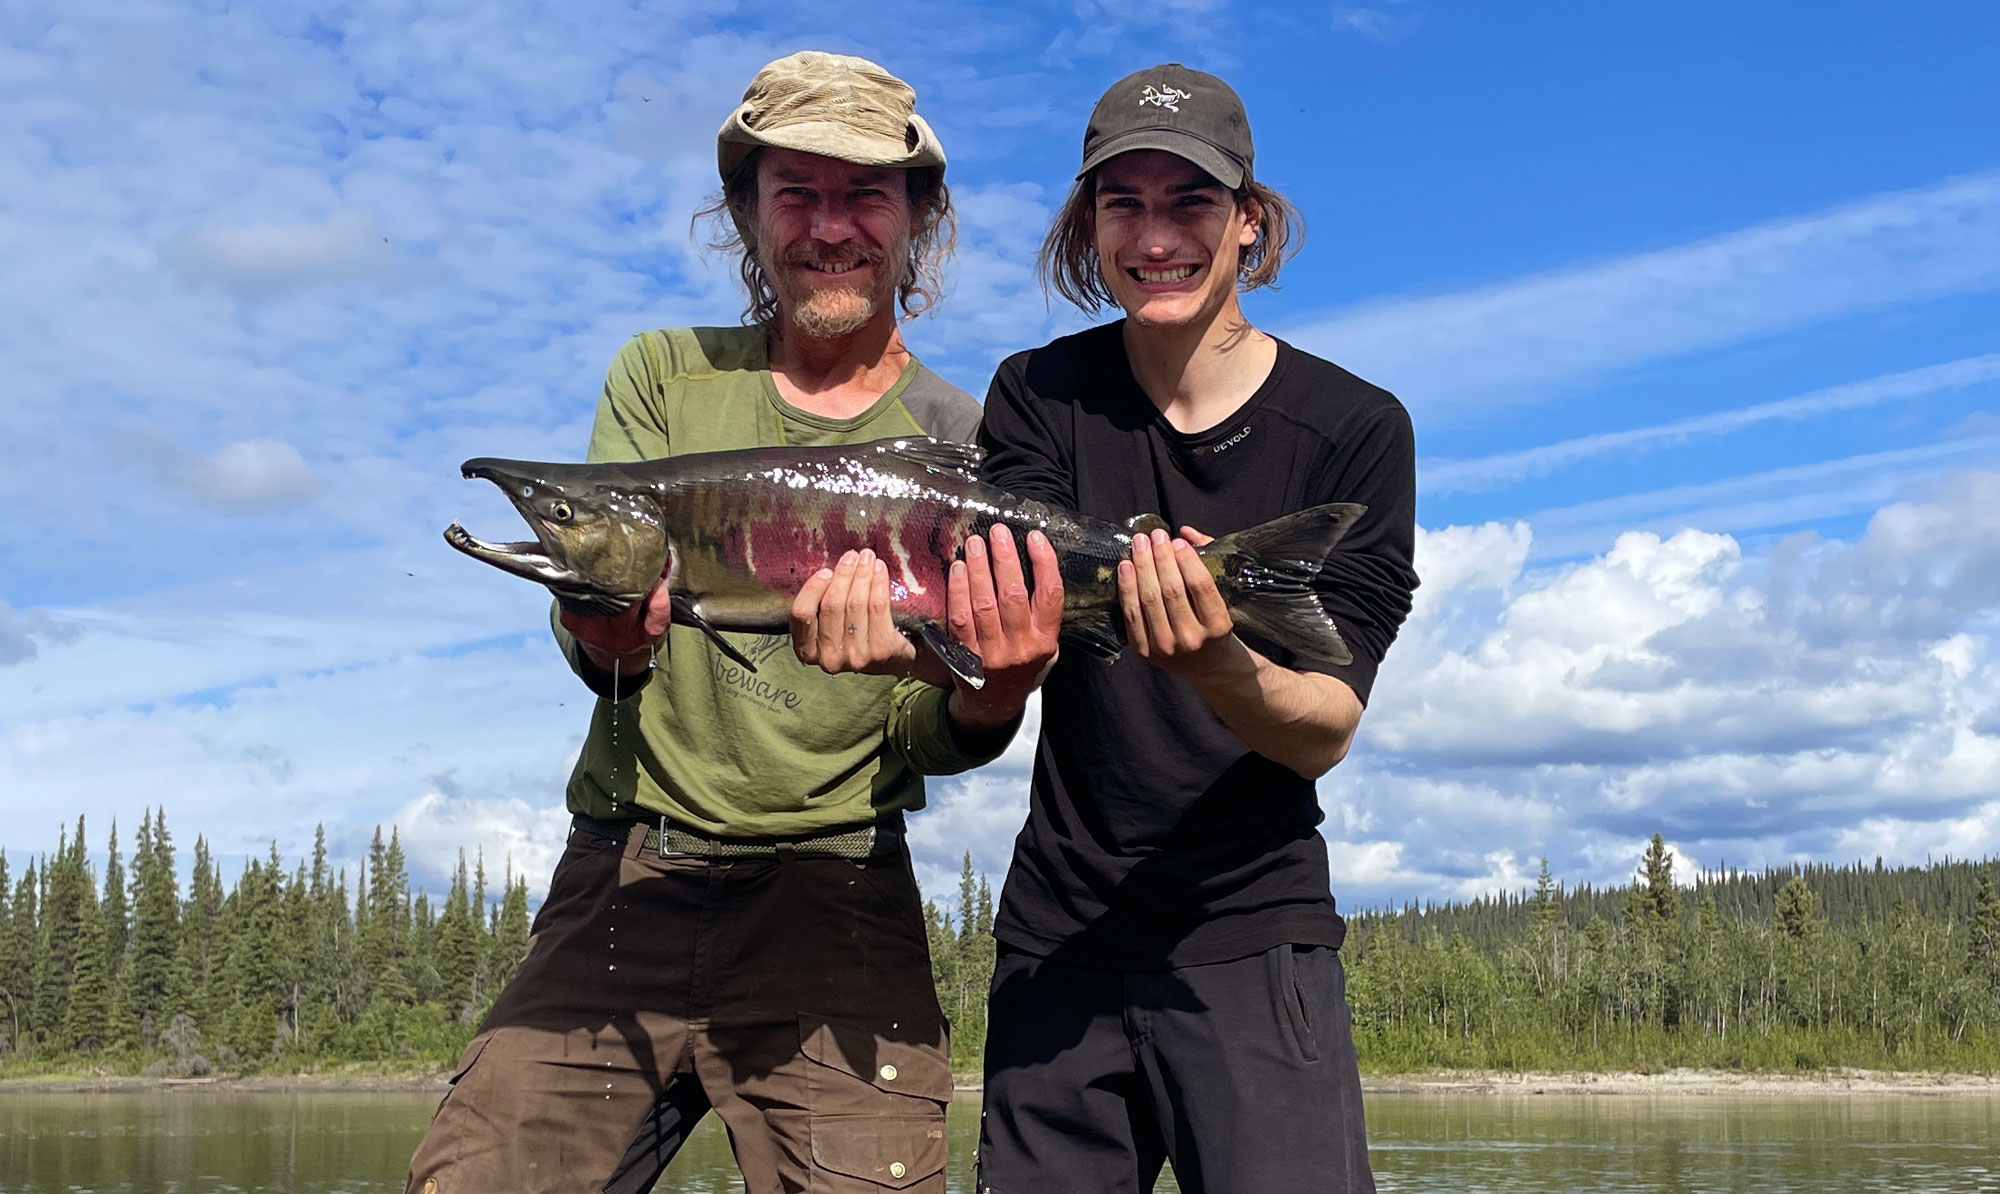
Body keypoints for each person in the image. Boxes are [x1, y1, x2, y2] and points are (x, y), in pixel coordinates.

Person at [406, 51, 1060, 1194]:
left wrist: (990, 691)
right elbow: (607, 627)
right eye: (794, 192)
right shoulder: (662, 375)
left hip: (840, 894)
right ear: (747, 216)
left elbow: (928, 735)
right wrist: (609, 635)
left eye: (863, 194)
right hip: (627, 876)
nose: (828, 226)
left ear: (919, 218)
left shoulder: (964, 436)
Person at [973, 64, 1419, 1194]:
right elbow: (1007, 619)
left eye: (1189, 201)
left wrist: (1219, 660)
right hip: (1057, 943)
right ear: (1087, 226)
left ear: (1248, 224)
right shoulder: (1034, 395)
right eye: (1123, 202)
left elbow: (1322, 728)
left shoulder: (1354, 429)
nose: (1155, 234)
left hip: (1252, 937)